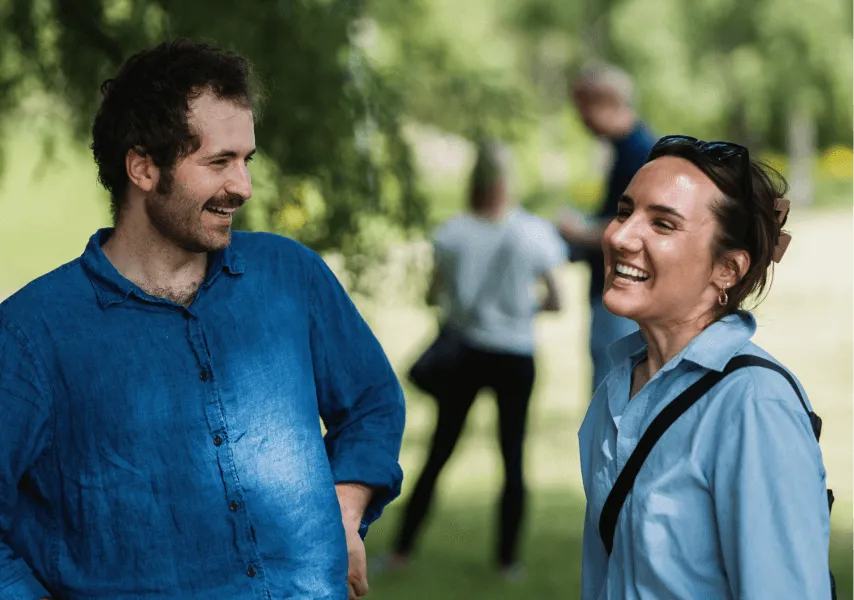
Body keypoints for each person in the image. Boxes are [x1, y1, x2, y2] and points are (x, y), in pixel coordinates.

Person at [0, 39, 405, 600]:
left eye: (247, 160)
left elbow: (372, 401)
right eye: (219, 163)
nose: (243, 186)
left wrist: (344, 507)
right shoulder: (29, 337)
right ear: (143, 167)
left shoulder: (292, 277)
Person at [578, 135, 832, 599]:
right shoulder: (617, 389)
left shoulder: (753, 407)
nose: (619, 236)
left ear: (727, 270)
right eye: (623, 211)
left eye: (663, 224)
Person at [387, 140, 565, 579]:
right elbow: (556, 301)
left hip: (464, 353)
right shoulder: (533, 232)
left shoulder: (451, 232)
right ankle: (508, 562)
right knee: (513, 456)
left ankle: (401, 551)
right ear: (510, 181)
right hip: (515, 356)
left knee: (439, 452)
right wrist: (520, 309)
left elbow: (432, 295)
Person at [558, 63, 658, 394]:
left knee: (613, 393)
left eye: (584, 108)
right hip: (609, 291)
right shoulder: (620, 150)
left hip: (624, 295)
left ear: (607, 104)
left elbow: (637, 227)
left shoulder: (638, 152)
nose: (581, 119)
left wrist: (576, 231)